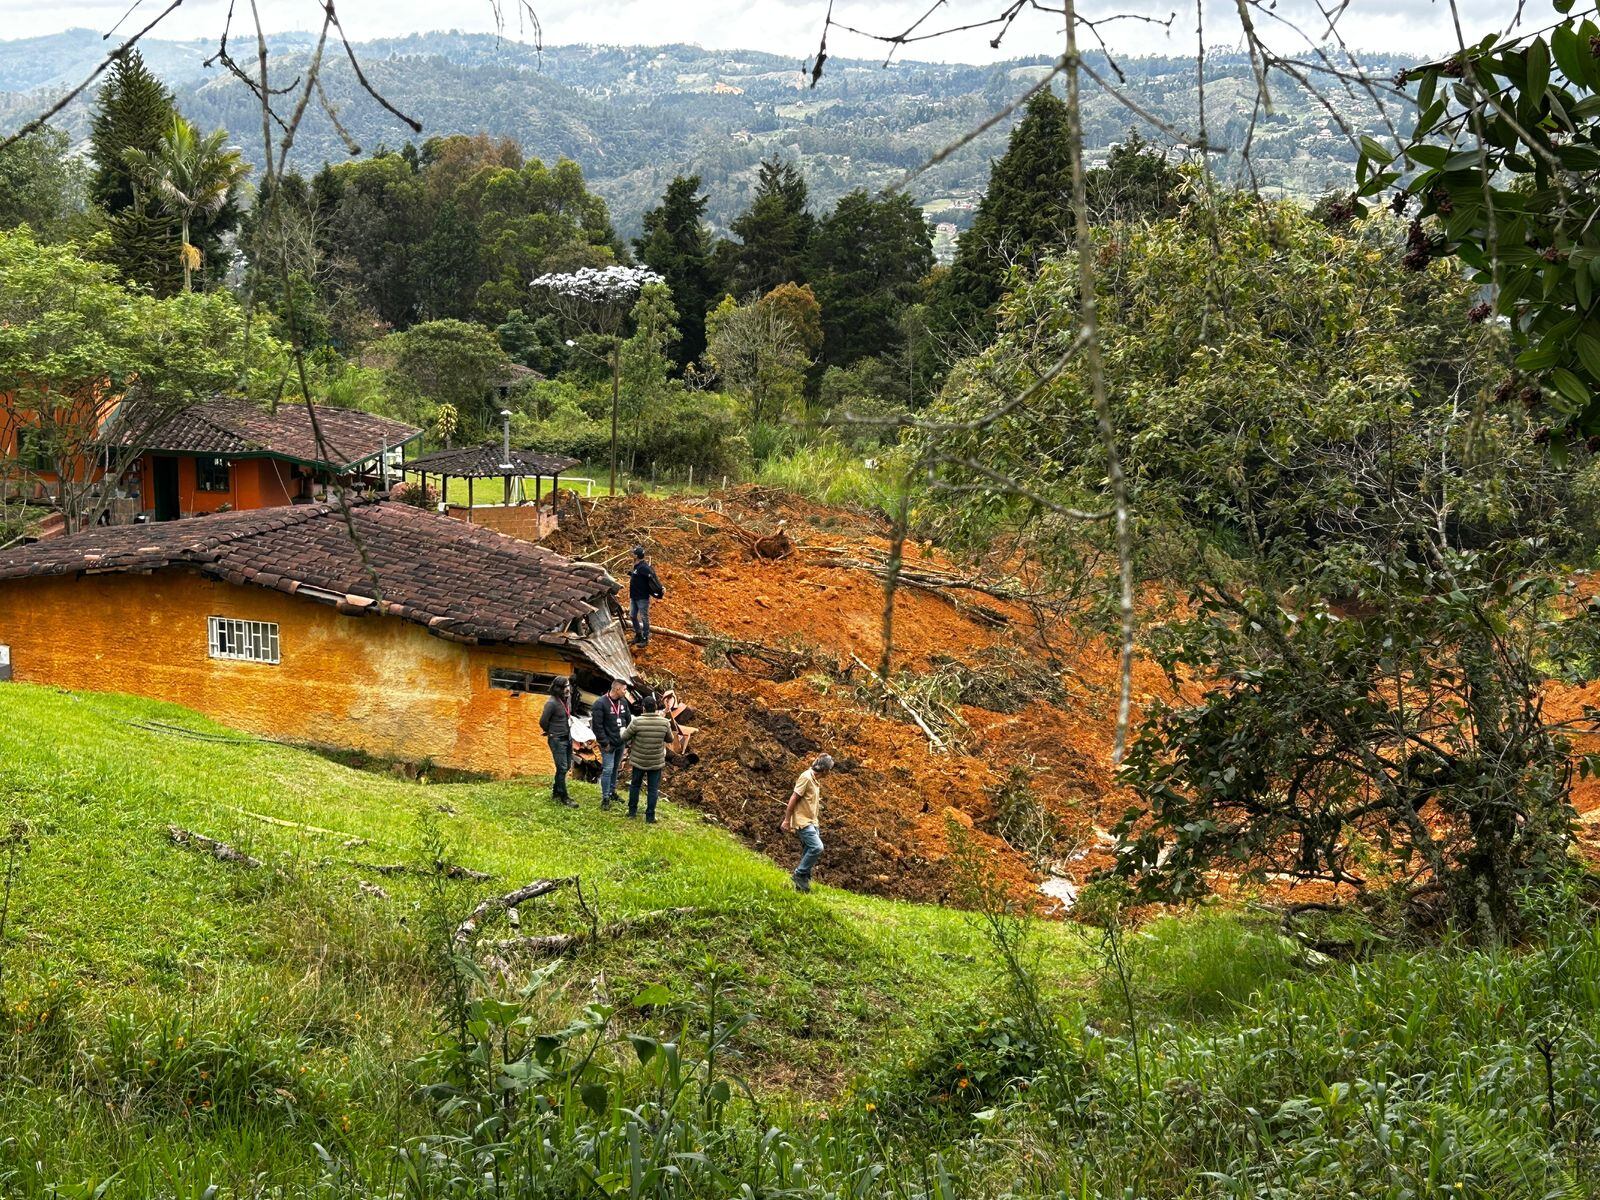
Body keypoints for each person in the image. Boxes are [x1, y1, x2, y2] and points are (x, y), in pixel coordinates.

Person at [780, 754, 834, 893]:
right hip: (803, 821)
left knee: (807, 851)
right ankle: (799, 874)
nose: (830, 773)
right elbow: (794, 798)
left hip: (812, 822)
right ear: (825, 770)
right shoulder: (806, 777)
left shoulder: (815, 780)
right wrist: (787, 820)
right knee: (817, 847)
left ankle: (802, 885)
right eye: (830, 770)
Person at [621, 694, 673, 822]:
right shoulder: (664, 723)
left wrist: (622, 730)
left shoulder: (636, 722)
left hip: (639, 761)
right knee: (653, 789)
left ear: (643, 708)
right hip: (656, 762)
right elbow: (670, 739)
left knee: (635, 786)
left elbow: (624, 737)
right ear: (655, 707)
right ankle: (650, 816)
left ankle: (632, 812)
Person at [590, 678, 631, 809]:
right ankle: (605, 798)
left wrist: (626, 738)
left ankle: (612, 792)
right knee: (607, 770)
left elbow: (628, 720)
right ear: (617, 689)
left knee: (615, 768)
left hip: (620, 743)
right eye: (624, 689)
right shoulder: (600, 703)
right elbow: (597, 726)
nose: (626, 692)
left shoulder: (623, 702)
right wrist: (605, 743)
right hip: (608, 744)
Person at [538, 677, 577, 807]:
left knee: (565, 767)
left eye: (568, 686)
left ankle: (556, 791)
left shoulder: (567, 699)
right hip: (557, 739)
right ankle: (564, 797)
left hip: (568, 737)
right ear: (558, 688)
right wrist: (551, 731)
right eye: (565, 686)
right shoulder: (551, 703)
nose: (568, 689)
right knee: (562, 767)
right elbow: (543, 722)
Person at [628, 545, 665, 647]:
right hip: (634, 596)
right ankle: (638, 634)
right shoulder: (637, 566)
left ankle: (645, 638)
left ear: (637, 556)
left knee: (644, 617)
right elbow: (639, 577)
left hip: (642, 598)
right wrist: (632, 575)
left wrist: (660, 589)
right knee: (632, 615)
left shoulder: (644, 567)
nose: (632, 554)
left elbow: (653, 577)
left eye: (633, 553)